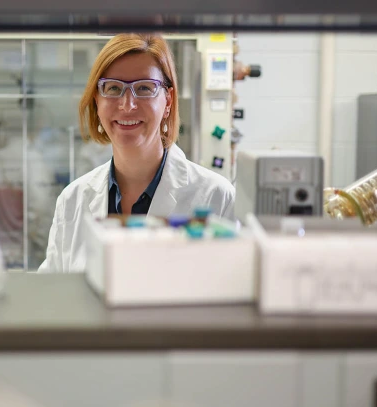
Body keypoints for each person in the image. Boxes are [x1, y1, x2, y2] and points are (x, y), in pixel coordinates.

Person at [38, 33, 235, 273]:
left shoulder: (217, 197)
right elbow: (55, 295)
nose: (127, 105)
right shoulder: (72, 200)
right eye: (113, 88)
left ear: (168, 101)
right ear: (96, 101)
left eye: (144, 88)